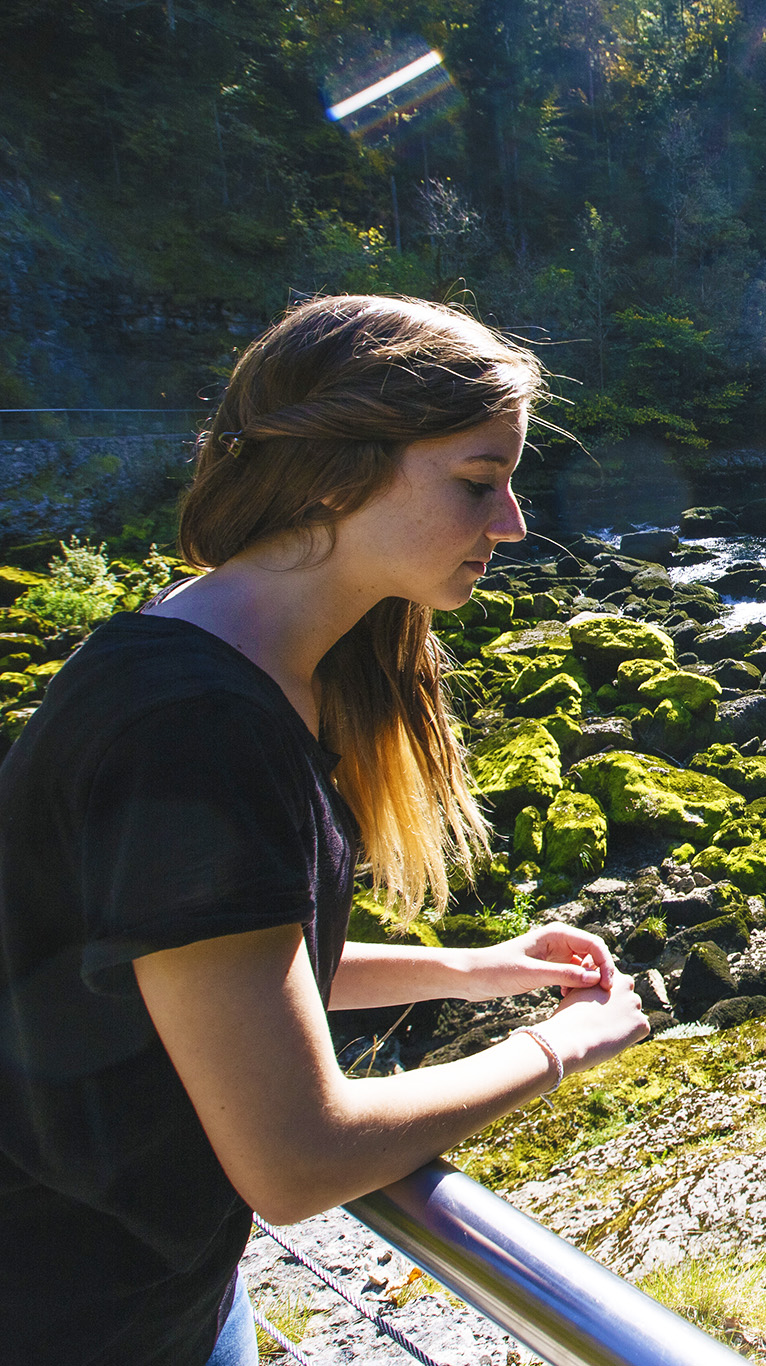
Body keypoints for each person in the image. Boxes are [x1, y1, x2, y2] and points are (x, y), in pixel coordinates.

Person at [0, 295, 652, 1365]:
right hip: (74, 1315)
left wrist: (469, 968)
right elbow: (296, 1161)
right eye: (479, 481)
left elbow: (207, 978)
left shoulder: (211, 655)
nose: (513, 523)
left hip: (155, 1291)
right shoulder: (195, 729)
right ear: (334, 472)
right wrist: (557, 1045)